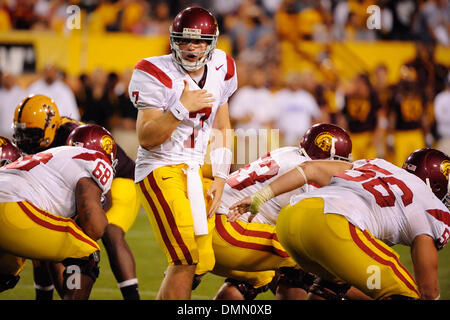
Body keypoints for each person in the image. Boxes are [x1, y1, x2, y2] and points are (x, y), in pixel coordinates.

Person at [229, 148, 450, 300]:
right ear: (436, 186)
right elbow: (429, 290)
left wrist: (261, 196)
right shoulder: (430, 204)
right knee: (406, 292)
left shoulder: (378, 165)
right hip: (332, 225)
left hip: (290, 222)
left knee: (331, 286)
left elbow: (309, 169)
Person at [129, 6, 237, 299]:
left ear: (212, 42)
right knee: (184, 256)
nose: (191, 47)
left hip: (195, 169)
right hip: (160, 166)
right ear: (172, 40)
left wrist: (220, 176)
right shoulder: (153, 71)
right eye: (184, 40)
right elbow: (146, 138)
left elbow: (222, 125)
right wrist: (180, 108)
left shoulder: (222, 66)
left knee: (201, 263)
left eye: (200, 41)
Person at [12, 94, 141, 300]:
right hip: (84, 186)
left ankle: (132, 298)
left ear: (50, 126)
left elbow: (100, 201)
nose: (25, 140)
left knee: (108, 233)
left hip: (117, 180)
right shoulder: (47, 140)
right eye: (20, 133)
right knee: (47, 235)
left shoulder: (75, 140)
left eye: (32, 133)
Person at [210, 123, 354, 300]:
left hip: (217, 221)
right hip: (230, 230)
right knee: (311, 262)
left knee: (258, 277)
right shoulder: (307, 177)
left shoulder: (287, 153)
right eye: (340, 159)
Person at [0, 124, 116, 299]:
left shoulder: (53, 161)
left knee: (6, 271)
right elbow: (95, 228)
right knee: (87, 251)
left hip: (10, 201)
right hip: (11, 206)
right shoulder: (94, 158)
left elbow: (50, 254)